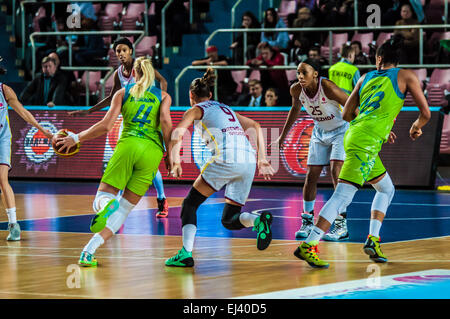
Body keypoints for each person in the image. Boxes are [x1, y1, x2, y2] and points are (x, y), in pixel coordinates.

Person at [293, 39, 431, 268]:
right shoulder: (407, 76)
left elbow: (346, 114)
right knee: (342, 195)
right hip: (365, 142)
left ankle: (373, 240)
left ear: (378, 59)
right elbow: (425, 113)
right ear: (398, 60)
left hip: (355, 135)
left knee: (386, 189)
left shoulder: (366, 77)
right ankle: (310, 244)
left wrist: (372, 126)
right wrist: (416, 126)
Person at [56, 57, 173, 267]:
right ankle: (88, 251)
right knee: (124, 209)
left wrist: (76, 137)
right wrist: (170, 157)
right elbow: (166, 124)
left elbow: (106, 125)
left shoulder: (123, 93)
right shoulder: (164, 96)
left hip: (128, 145)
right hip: (152, 153)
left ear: (134, 74)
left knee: (101, 198)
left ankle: (106, 205)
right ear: (152, 74)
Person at [165, 68, 275, 267]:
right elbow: (256, 126)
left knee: (189, 205)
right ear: (210, 95)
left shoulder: (196, 109)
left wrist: (176, 160)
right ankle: (258, 221)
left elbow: (178, 133)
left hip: (227, 158)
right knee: (229, 219)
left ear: (191, 96)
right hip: (248, 159)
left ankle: (185, 254)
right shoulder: (225, 108)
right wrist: (263, 159)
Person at [68, 38, 170, 218]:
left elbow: (163, 83)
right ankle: (120, 197)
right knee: (133, 159)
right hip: (129, 118)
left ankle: (161, 198)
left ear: (131, 51)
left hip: (148, 118)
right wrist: (89, 111)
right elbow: (111, 98)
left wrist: (157, 101)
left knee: (149, 165)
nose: (121, 54)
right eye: (117, 51)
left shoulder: (143, 67)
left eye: (124, 50)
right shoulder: (119, 73)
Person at [271, 59, 350, 242]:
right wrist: (282, 137)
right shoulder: (296, 89)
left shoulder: (328, 87)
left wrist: (363, 128)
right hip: (320, 131)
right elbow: (295, 109)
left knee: (336, 171)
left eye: (304, 72)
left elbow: (350, 103)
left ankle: (341, 224)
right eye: (298, 72)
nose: (300, 76)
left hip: (341, 130)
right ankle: (307, 220)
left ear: (315, 73)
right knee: (311, 175)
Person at [0, 63, 54, 241]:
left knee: (2, 179)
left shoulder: (4, 90)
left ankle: (14, 224)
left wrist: (41, 129)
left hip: (2, 140)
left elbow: (22, 111)